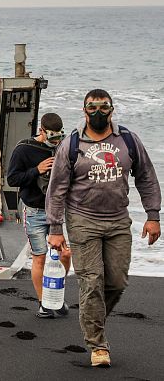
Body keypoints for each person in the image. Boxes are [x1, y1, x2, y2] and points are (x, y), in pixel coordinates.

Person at [46, 90, 161, 368]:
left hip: (118, 220)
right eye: (92, 107)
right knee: (92, 281)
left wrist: (153, 215)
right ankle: (98, 345)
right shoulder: (72, 144)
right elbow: (57, 188)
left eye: (103, 107)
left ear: (112, 109)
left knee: (117, 282)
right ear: (84, 110)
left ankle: (91, 316)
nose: (98, 112)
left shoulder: (128, 140)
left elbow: (146, 176)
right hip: (82, 220)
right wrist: (55, 227)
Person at [6, 112, 72, 318]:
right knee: (40, 257)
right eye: (52, 137)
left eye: (59, 137)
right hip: (34, 210)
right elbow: (12, 179)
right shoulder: (24, 149)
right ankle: (44, 303)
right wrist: (36, 170)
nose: (56, 142)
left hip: (59, 211)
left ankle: (56, 295)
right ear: (41, 131)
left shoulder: (64, 147)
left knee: (65, 254)